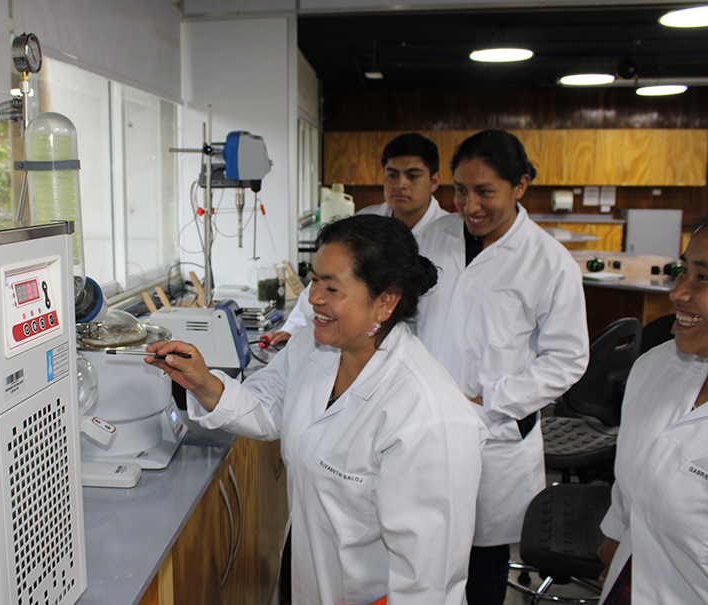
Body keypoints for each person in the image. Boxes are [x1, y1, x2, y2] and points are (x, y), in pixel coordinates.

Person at [146, 214, 486, 605]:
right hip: (308, 574)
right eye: (314, 281)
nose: (313, 298)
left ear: (386, 301)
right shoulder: (313, 346)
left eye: (332, 288)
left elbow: (429, 583)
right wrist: (204, 381)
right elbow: (270, 406)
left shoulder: (428, 415)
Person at [415, 129, 590, 605]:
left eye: (485, 191)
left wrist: (489, 401)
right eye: (459, 190)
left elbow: (568, 358)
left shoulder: (550, 263)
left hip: (492, 434)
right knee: (422, 554)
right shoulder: (432, 237)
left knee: (481, 567)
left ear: (520, 186)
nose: (469, 205)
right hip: (422, 425)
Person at [596, 215, 708, 603]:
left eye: (704, 278)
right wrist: (615, 537)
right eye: (684, 270)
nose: (678, 292)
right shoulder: (655, 367)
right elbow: (633, 483)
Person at [267, 132, 446, 346]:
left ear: (434, 181)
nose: (401, 184)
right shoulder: (364, 222)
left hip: (420, 350)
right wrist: (293, 328)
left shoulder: (449, 236)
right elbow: (327, 280)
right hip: (358, 347)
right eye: (392, 175)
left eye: (413, 175)